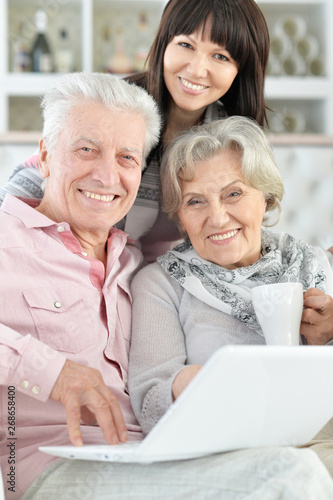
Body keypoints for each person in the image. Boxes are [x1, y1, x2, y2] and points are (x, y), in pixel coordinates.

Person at [1, 76, 332, 500]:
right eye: (87, 149)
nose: (107, 175)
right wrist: (49, 371)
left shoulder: (133, 258)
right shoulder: (6, 240)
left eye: (126, 157)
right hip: (57, 464)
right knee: (291, 474)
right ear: (44, 156)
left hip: (158, 457)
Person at [128, 116, 333, 491]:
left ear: (265, 195)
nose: (217, 217)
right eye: (195, 202)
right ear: (179, 218)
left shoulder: (317, 267)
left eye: (233, 193)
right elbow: (149, 402)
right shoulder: (161, 285)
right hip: (235, 458)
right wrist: (195, 384)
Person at [0, 0, 270, 261]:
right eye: (186, 45)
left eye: (220, 56)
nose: (198, 70)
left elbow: (244, 232)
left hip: (167, 284)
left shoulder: (233, 141)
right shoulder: (123, 109)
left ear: (241, 69)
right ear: (164, 44)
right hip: (77, 268)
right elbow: (44, 173)